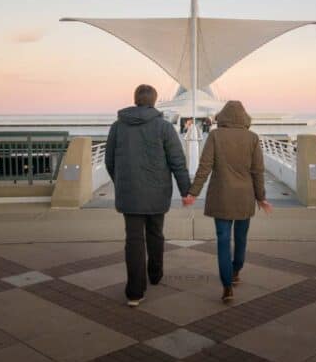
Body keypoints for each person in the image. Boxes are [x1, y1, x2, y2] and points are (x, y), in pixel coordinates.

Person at [105, 84, 190, 307]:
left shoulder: (117, 127)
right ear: (154, 101)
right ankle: (155, 273)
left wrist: (122, 183)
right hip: (157, 192)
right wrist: (186, 191)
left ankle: (134, 292)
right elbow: (177, 161)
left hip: (130, 194)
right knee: (155, 234)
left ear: (135, 99)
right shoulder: (164, 127)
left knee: (133, 240)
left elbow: (109, 161)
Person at [184, 101, 272, 302]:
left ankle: (226, 287)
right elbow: (257, 171)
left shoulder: (215, 135)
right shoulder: (252, 138)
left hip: (221, 196)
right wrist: (261, 197)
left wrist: (193, 193)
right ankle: (236, 271)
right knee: (241, 239)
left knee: (223, 241)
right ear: (244, 117)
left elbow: (204, 167)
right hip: (244, 197)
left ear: (222, 116)